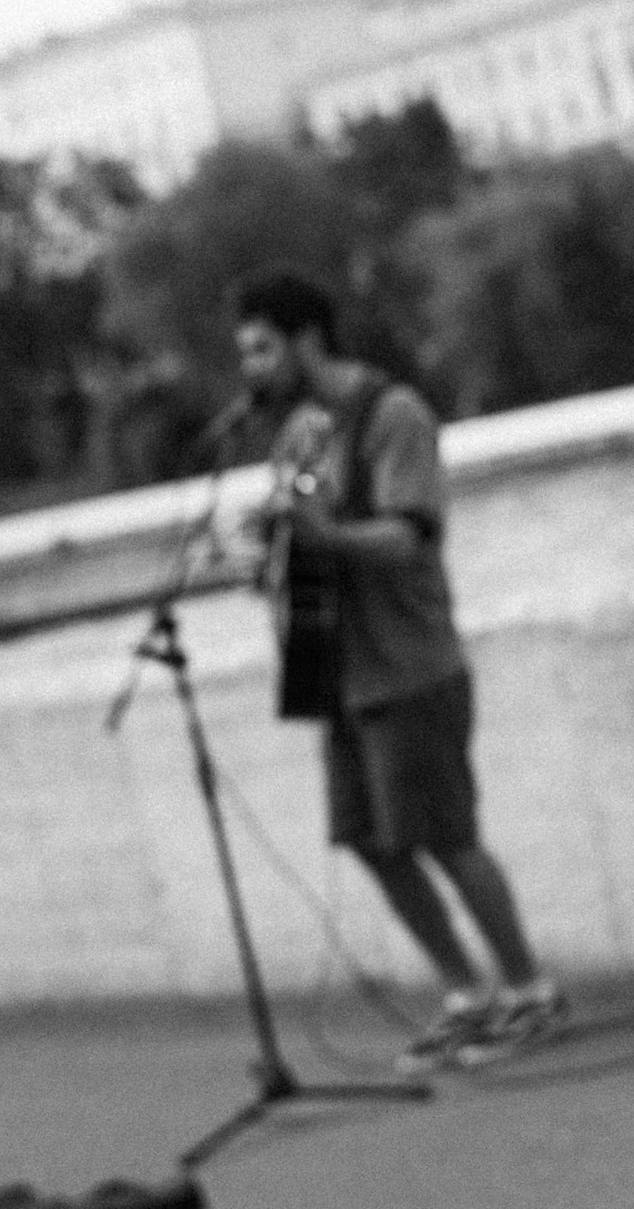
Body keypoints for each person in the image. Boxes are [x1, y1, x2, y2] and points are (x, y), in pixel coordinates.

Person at [230, 270, 562, 1067]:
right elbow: (304, 535)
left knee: (446, 836)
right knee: (371, 842)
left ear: (309, 337)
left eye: (262, 348)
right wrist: (267, 552)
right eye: (243, 353)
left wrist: (321, 536)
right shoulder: (300, 431)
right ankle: (466, 993)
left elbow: (409, 536)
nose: (250, 369)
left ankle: (527, 990)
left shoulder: (392, 413)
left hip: (409, 665)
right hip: (338, 675)